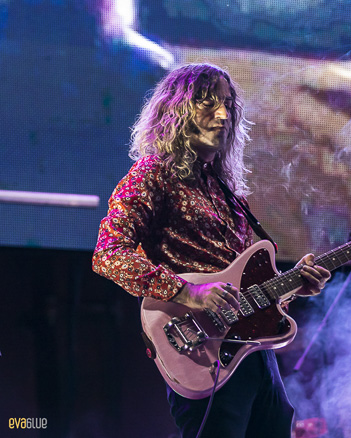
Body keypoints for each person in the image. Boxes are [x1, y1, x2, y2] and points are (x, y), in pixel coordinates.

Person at [92, 63, 331, 438]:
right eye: (208, 103)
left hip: (253, 352)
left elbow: (244, 287)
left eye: (228, 105)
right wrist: (189, 292)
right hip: (201, 349)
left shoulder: (227, 191)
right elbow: (109, 253)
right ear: (178, 111)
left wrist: (292, 286)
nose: (222, 115)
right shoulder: (153, 174)